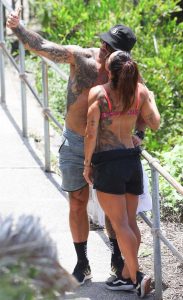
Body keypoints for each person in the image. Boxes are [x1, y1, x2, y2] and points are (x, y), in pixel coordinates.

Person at [7, 11, 147, 285]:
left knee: (113, 209)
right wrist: (17, 28)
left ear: (123, 54)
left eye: (111, 48)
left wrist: (139, 133)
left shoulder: (128, 74)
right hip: (75, 142)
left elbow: (145, 103)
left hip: (109, 148)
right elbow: (44, 47)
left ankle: (118, 261)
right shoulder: (83, 60)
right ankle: (82, 263)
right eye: (104, 43)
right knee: (77, 202)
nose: (104, 49)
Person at [83, 50, 160, 297]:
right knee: (129, 222)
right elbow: (155, 123)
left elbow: (90, 133)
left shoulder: (99, 93)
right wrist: (152, 98)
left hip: (108, 163)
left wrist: (87, 164)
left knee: (120, 225)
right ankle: (127, 275)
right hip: (131, 161)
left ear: (109, 68)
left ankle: (138, 277)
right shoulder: (140, 91)